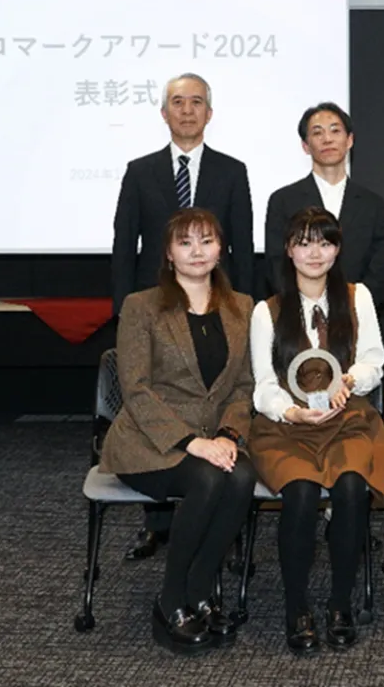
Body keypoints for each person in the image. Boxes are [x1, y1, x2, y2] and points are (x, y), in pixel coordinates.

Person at [98, 207, 257, 654]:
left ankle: (200, 590)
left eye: (207, 241)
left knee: (242, 477)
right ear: (168, 252)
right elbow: (136, 390)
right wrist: (192, 442)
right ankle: (171, 601)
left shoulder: (242, 307)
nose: (197, 251)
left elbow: (244, 386)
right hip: (149, 441)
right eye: (185, 242)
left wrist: (228, 435)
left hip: (215, 438)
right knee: (207, 479)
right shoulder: (141, 306)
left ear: (221, 248)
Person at [111, 72, 255, 563]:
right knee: (161, 400)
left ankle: (220, 528)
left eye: (196, 102)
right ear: (164, 112)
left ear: (209, 113)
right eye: (178, 102)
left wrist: (243, 311)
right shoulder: (140, 171)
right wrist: (124, 309)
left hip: (214, 305)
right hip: (156, 311)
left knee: (212, 395)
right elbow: (123, 244)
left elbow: (241, 245)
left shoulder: (232, 170)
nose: (187, 110)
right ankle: (157, 524)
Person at [247, 206, 384, 655]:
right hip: (286, 425)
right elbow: (263, 385)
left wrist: (350, 380)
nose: (315, 253)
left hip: (347, 419)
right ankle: (297, 608)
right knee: (302, 493)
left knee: (351, 489)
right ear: (288, 250)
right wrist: (291, 413)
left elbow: (375, 360)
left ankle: (340, 603)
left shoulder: (357, 297)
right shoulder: (267, 311)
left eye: (325, 243)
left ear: (338, 249)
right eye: (304, 243)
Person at [264, 102, 384, 305]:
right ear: (305, 146)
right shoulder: (283, 200)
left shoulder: (372, 204)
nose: (327, 139)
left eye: (335, 131)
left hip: (357, 310)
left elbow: (379, 266)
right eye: (317, 132)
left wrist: (357, 306)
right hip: (298, 311)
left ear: (350, 140)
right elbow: (276, 262)